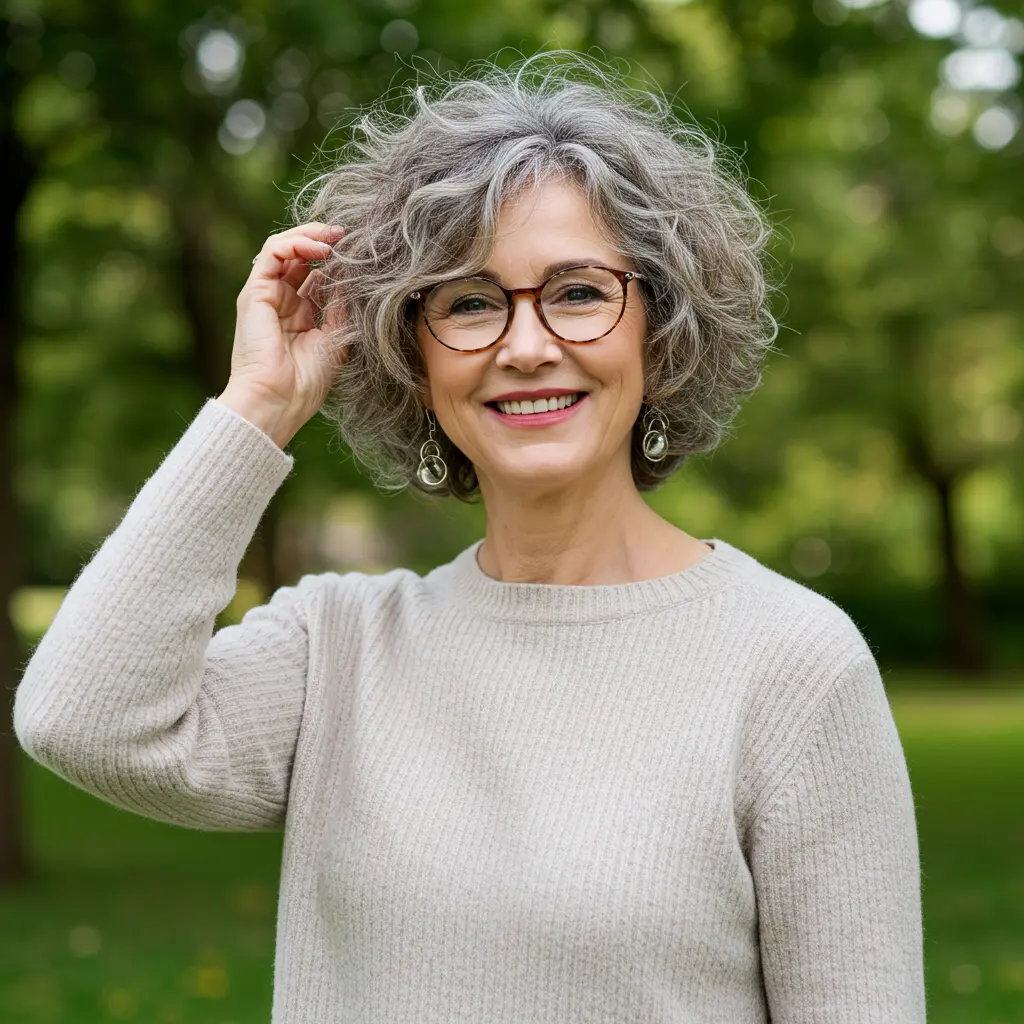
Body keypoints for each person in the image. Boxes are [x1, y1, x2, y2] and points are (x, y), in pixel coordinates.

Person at [13, 51, 925, 1023]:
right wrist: (260, 405)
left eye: (578, 292)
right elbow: (81, 718)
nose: (525, 345)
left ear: (659, 333)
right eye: (470, 302)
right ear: (413, 352)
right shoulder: (340, 645)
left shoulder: (791, 663)